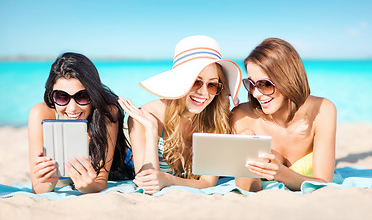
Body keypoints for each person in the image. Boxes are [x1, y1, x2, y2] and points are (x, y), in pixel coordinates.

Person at [118, 35, 242, 194]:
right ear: (180, 81)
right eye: (196, 82)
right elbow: (147, 184)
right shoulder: (146, 117)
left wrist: (167, 180)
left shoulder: (216, 119)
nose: (204, 93)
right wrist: (151, 130)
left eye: (212, 85)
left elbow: (207, 182)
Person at [230, 38, 337, 191]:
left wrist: (280, 173)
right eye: (251, 85)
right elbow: (248, 189)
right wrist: (244, 150)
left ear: (288, 79)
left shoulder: (323, 110)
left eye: (265, 84)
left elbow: (324, 182)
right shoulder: (242, 117)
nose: (256, 94)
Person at [28, 52, 134, 194]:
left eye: (82, 96)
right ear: (51, 94)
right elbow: (39, 188)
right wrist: (47, 183)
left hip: (120, 163)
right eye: (62, 96)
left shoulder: (106, 112)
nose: (72, 108)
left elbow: (100, 181)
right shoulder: (40, 114)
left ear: (94, 94)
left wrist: (88, 187)